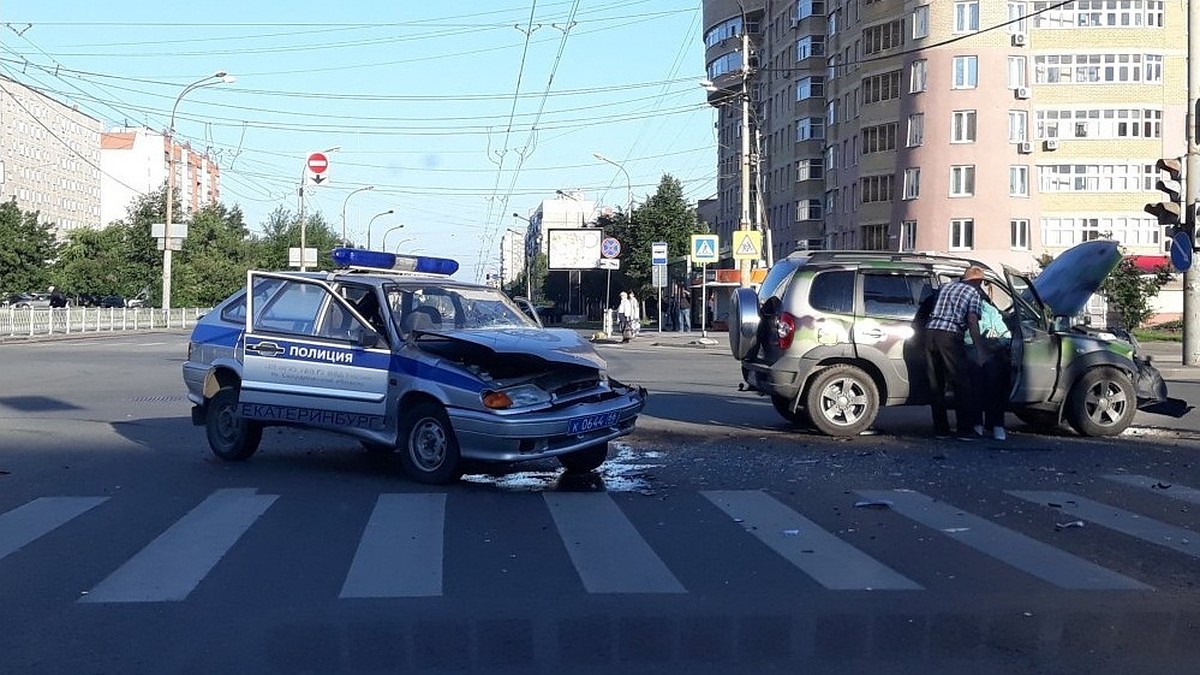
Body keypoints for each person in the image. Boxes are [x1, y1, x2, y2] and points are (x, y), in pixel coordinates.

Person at [923, 266, 987, 440]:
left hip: (929, 334)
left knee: (936, 384)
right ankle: (965, 430)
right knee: (961, 383)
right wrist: (979, 349)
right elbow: (972, 321)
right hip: (949, 336)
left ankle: (941, 430)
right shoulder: (973, 292)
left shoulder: (945, 287)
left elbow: (927, 307)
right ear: (977, 281)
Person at [966, 282, 1013, 441]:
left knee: (979, 384)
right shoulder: (989, 310)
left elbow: (1004, 335)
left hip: (973, 349)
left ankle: (978, 425)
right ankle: (996, 425)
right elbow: (1005, 335)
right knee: (993, 384)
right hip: (979, 349)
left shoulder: (985, 309)